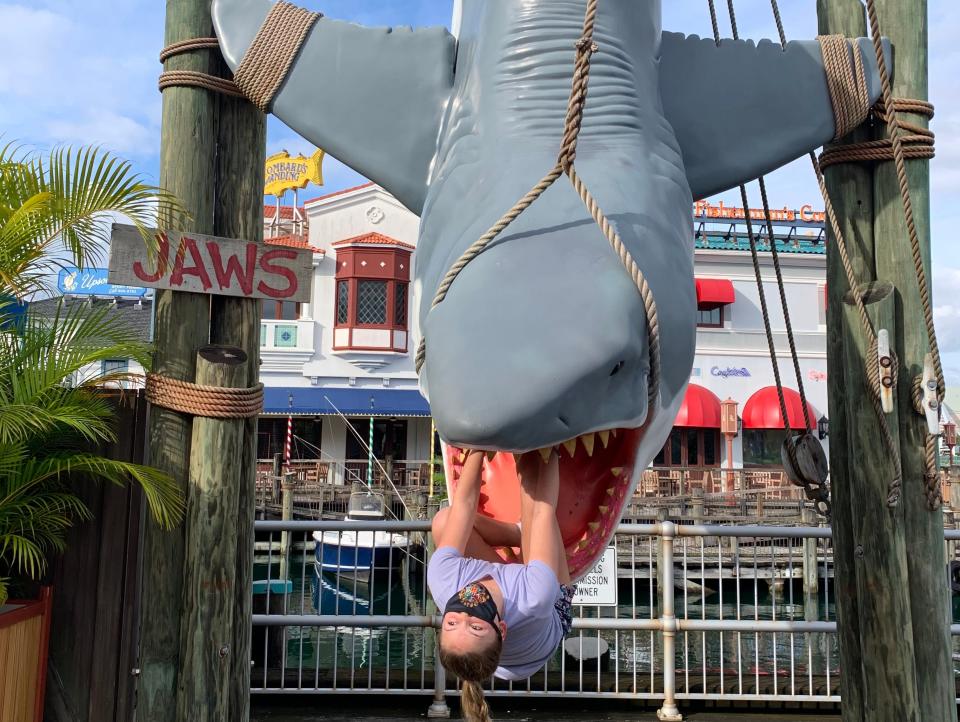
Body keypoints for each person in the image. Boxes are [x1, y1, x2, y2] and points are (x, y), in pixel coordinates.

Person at [428, 449, 574, 722]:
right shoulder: (535, 598)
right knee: (531, 489)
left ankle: (516, 533)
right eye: (475, 626)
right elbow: (545, 510)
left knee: (444, 521)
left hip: (507, 601)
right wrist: (552, 447)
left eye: (450, 623)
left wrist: (477, 446)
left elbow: (464, 505)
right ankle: (524, 531)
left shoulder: (443, 580)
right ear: (501, 627)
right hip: (548, 618)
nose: (464, 615)